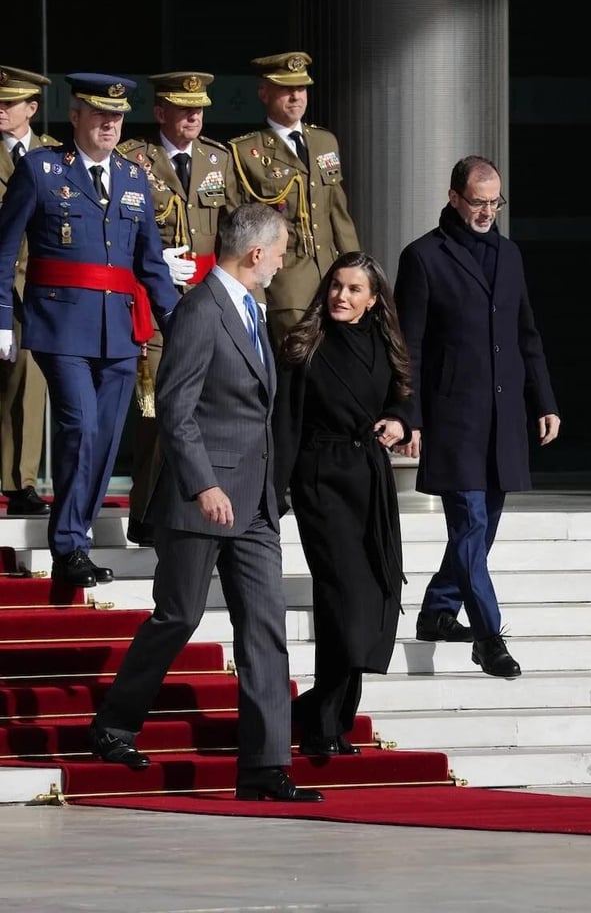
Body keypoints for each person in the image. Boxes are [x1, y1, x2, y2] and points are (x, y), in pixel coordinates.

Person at [90, 203, 323, 804]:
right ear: (254, 254)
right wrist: (202, 484)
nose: (281, 261)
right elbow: (175, 406)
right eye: (279, 251)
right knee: (178, 617)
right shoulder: (201, 310)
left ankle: (265, 768)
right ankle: (113, 724)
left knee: (265, 629)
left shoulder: (252, 309)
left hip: (256, 503)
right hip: (204, 499)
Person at [0, 73, 178, 588]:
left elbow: (149, 264)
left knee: (103, 440)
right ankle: (70, 544)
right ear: (75, 115)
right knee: (80, 426)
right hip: (60, 324)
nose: (109, 124)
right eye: (99, 114)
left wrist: (177, 323)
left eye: (117, 116)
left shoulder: (133, 177)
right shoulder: (41, 168)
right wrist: (1, 318)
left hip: (118, 331)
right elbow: (4, 248)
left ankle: (73, 537)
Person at [393, 155, 560, 679]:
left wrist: (546, 401)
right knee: (469, 523)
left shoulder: (508, 255)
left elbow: (525, 332)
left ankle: (439, 611)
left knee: (482, 530)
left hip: (504, 414)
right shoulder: (422, 256)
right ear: (454, 197)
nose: (488, 211)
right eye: (478, 202)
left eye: (495, 202)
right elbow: (408, 346)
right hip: (452, 416)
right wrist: (408, 414)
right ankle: (489, 637)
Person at [273, 251, 413, 755]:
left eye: (354, 290)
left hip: (370, 481)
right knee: (343, 602)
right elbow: (284, 425)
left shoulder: (384, 340)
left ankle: (323, 716)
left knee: (373, 597)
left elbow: (403, 392)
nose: (341, 296)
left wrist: (400, 419)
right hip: (321, 480)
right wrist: (274, 494)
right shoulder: (303, 344)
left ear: (373, 301)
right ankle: (322, 725)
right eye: (336, 286)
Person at [117, 70, 243, 547]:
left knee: (207, 409)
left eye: (200, 108)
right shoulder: (134, 160)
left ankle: (190, 512)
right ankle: (146, 514)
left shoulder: (218, 158)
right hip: (153, 297)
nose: (193, 116)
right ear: (160, 112)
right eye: (183, 108)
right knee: (156, 411)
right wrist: (146, 264)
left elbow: (234, 229)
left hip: (206, 300)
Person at [229, 51, 360, 350]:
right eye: (286, 89)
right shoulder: (246, 152)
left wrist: (356, 269)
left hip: (332, 275)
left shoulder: (324, 141)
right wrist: (255, 291)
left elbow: (338, 213)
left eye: (301, 89)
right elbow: (244, 232)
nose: (296, 97)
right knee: (298, 364)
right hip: (285, 281)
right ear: (264, 93)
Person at [0, 65, 60, 516]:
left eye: (9, 103)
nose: (1, 110)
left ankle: (19, 481)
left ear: (32, 108)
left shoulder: (55, 156)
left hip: (32, 282)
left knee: (27, 382)